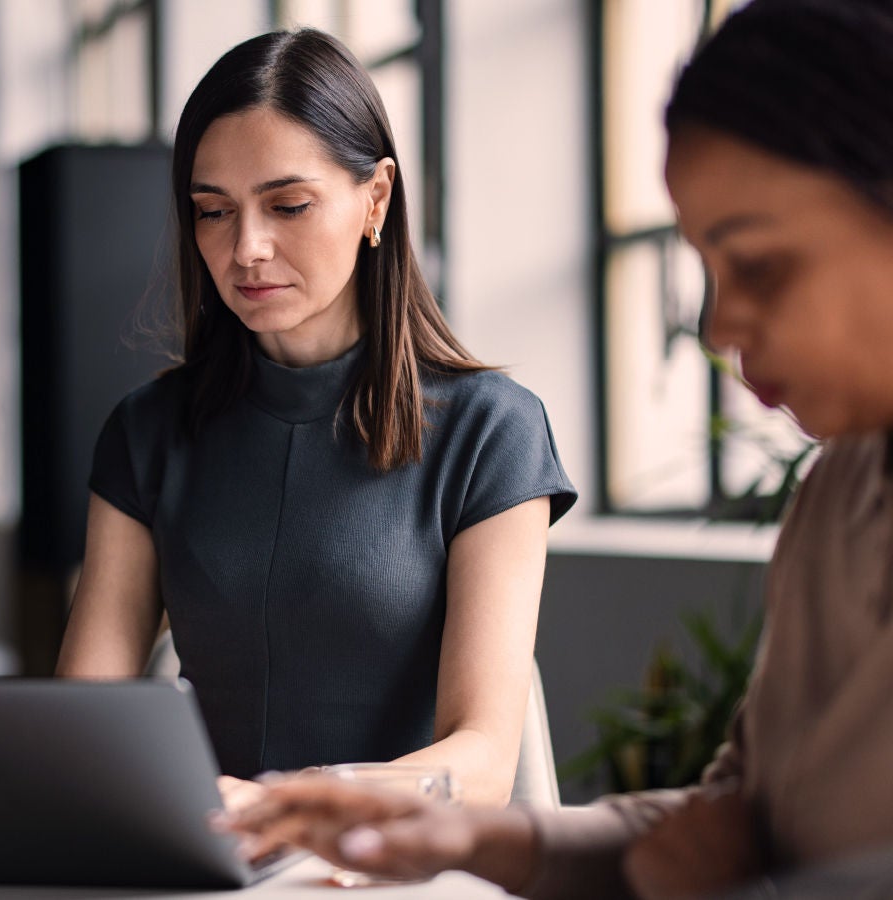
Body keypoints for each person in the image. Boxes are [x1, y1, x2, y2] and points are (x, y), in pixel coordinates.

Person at [219, 1, 893, 897]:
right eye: (705, 267)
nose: (718, 323)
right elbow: (738, 813)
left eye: (761, 265)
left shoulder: (487, 425)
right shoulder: (841, 487)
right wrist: (457, 837)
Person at [56, 27, 577, 809]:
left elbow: (480, 760)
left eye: (288, 205)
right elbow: (81, 728)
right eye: (212, 212)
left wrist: (283, 807)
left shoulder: (490, 434)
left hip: (395, 873)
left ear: (376, 199)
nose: (247, 249)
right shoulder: (148, 435)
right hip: (207, 866)